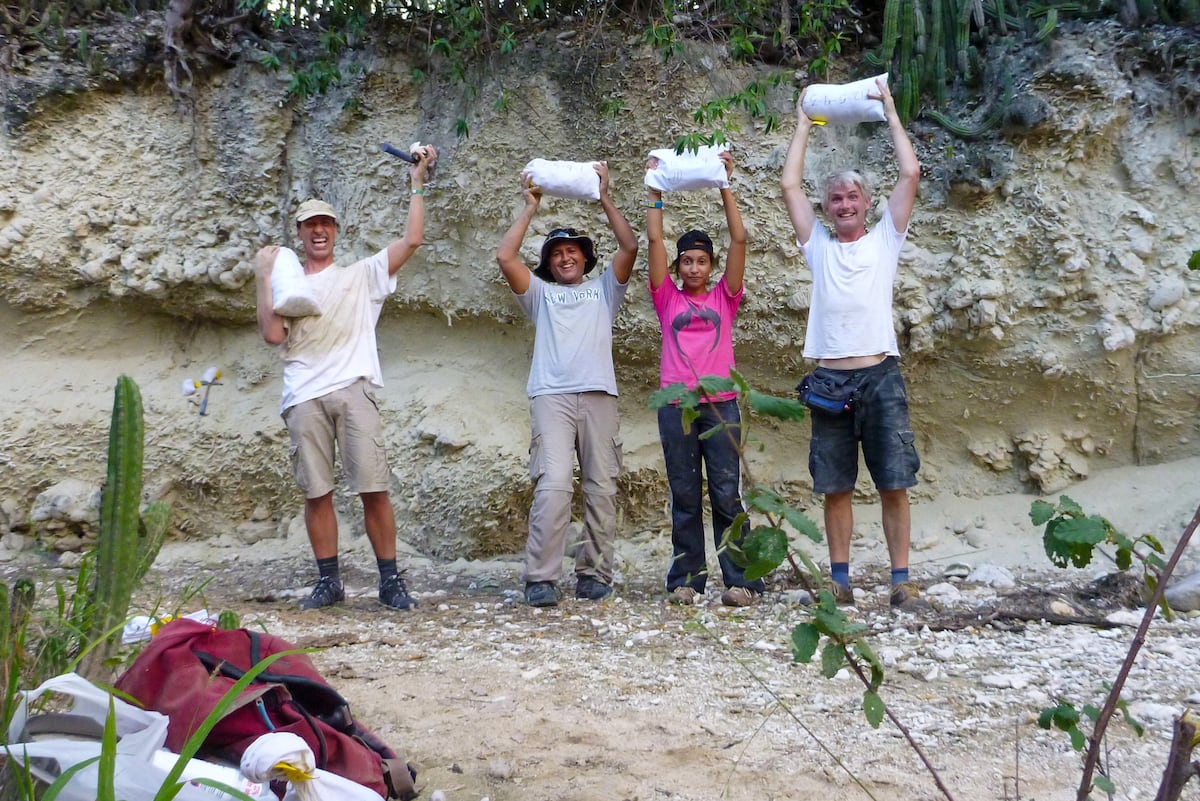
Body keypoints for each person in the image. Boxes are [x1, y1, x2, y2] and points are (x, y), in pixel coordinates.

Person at [253, 146, 437, 611]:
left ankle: (390, 581)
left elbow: (412, 240)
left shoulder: (361, 275)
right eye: (310, 225)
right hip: (303, 395)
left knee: (373, 487)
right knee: (317, 492)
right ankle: (328, 581)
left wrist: (417, 182)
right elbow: (273, 335)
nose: (319, 231)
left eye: (326, 224)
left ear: (335, 231)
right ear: (299, 234)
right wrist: (262, 277)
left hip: (354, 390)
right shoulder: (289, 286)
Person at [779, 77, 925, 611]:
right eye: (836, 198)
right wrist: (804, 123)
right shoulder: (817, 245)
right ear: (827, 207)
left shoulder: (886, 239)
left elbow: (910, 173)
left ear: (867, 204)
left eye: (852, 197)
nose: (844, 204)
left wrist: (891, 113)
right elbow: (790, 187)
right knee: (835, 486)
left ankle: (901, 581)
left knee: (894, 481)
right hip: (830, 381)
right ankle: (840, 581)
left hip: (880, 375)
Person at [496, 162, 638, 608]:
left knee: (601, 488)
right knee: (554, 484)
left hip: (599, 395)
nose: (565, 258)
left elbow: (630, 246)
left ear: (585, 257)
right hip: (551, 397)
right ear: (549, 263)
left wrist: (604, 197)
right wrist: (529, 208)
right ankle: (541, 578)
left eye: (572, 250)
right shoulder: (540, 295)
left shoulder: (604, 290)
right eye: (557, 253)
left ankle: (595, 574)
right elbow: (505, 258)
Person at [645, 150, 766, 608]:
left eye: (701, 261)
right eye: (686, 262)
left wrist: (724, 185)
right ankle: (687, 580)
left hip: (721, 405)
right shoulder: (666, 299)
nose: (693, 268)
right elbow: (654, 240)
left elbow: (740, 239)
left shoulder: (723, 298)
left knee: (726, 493)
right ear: (677, 267)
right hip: (676, 406)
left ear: (711, 266)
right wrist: (654, 193)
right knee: (684, 494)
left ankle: (743, 581)